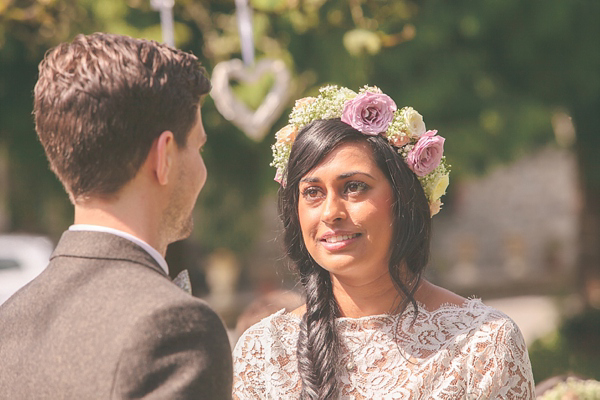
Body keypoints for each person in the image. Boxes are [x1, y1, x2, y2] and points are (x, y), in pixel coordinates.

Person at [232, 85, 535, 398]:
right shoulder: (264, 351)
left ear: (403, 200)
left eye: (354, 187)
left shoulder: (482, 344)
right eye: (312, 192)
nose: (331, 212)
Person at [0, 33, 232, 399]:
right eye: (199, 146)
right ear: (165, 156)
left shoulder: (10, 320)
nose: (202, 168)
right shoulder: (178, 330)